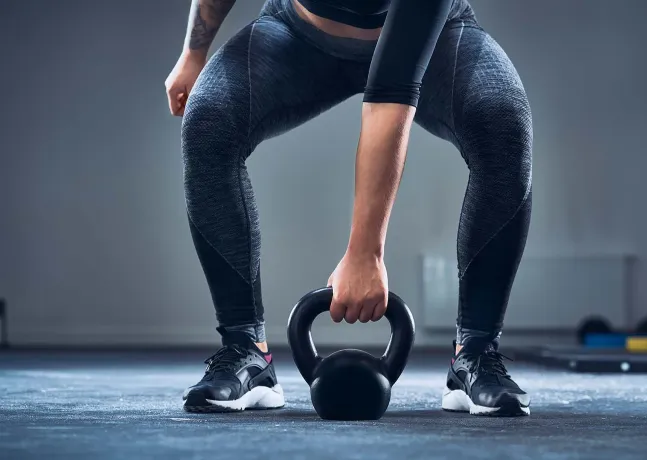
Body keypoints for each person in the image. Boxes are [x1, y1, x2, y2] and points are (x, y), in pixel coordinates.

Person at [165, 0, 533, 416]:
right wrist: (193, 53)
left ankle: (476, 354)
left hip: (435, 40)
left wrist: (365, 254)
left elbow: (388, 99)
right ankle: (246, 353)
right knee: (208, 118)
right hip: (299, 35)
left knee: (503, 122)